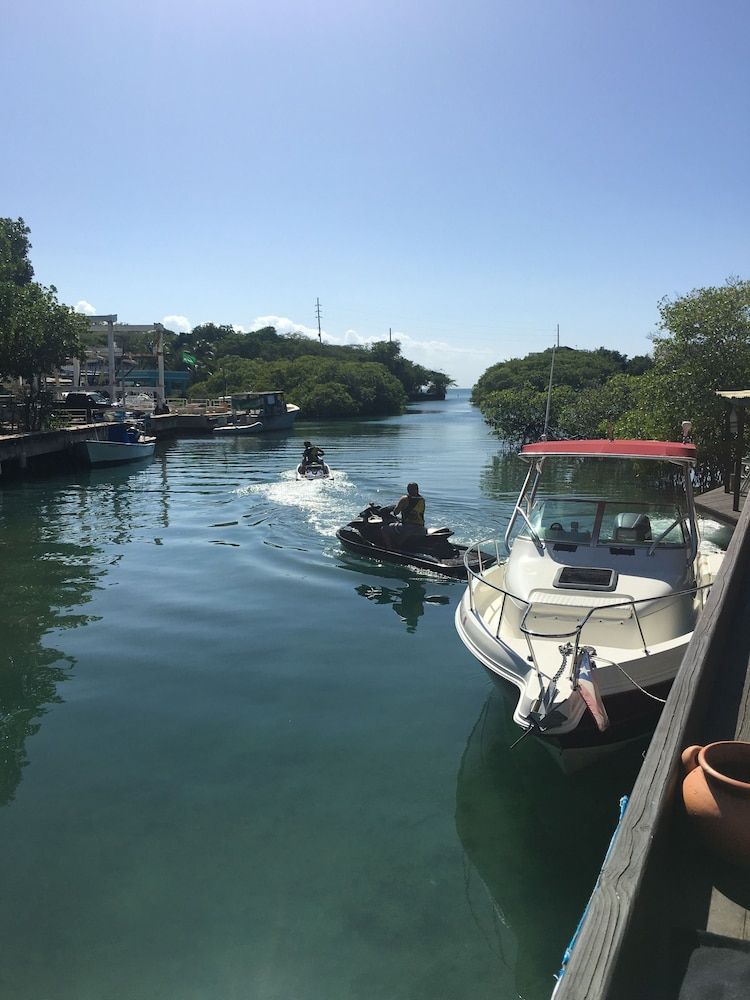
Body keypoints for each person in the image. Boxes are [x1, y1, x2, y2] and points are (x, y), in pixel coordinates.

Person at [383, 482, 427, 549]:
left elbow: (396, 512)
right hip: (421, 528)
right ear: (417, 489)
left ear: (408, 490)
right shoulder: (422, 499)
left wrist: (394, 510)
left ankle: (389, 549)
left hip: (408, 528)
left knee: (384, 529)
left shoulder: (405, 499)